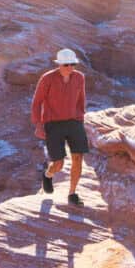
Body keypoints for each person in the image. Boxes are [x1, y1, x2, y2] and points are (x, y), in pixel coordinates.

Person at [31, 48, 88, 206]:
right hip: (53, 123)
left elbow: (81, 99)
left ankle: (72, 194)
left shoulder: (79, 77)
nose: (70, 67)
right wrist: (38, 124)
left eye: (73, 64)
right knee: (59, 164)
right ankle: (48, 175)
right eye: (66, 64)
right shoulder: (47, 78)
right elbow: (37, 102)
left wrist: (80, 116)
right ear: (59, 64)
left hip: (74, 121)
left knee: (78, 157)